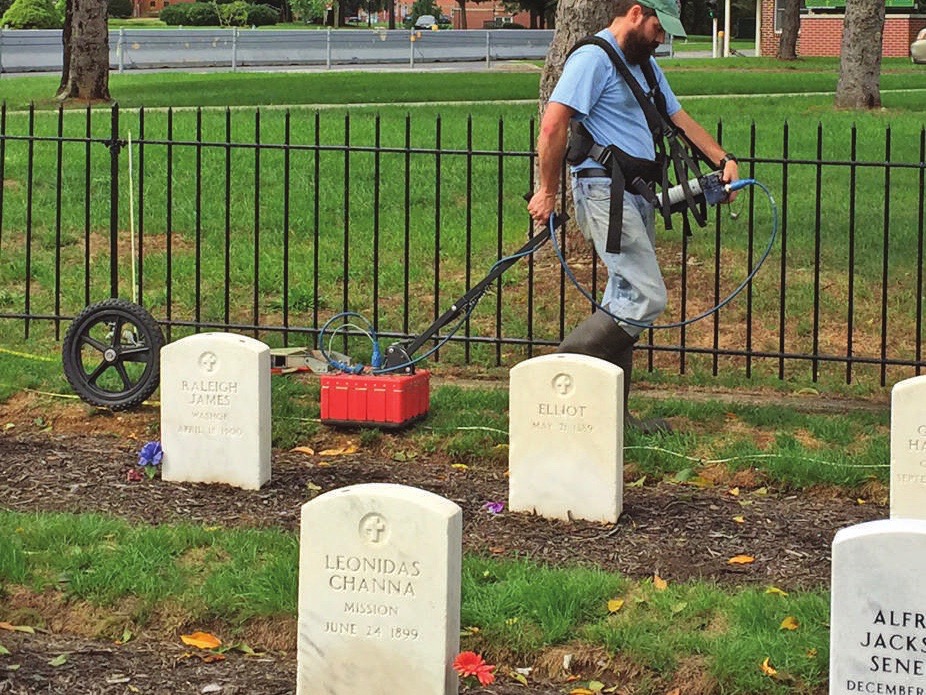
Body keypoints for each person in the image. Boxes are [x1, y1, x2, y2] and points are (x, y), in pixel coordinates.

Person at [527, 0, 739, 433]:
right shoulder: (593, 58)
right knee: (645, 297)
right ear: (637, 12)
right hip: (604, 191)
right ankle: (549, 386)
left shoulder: (643, 65)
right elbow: (553, 125)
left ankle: (613, 420)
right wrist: (547, 191)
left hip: (634, 194)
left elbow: (677, 117)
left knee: (621, 299)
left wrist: (722, 158)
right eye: (660, 29)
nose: (662, 39)